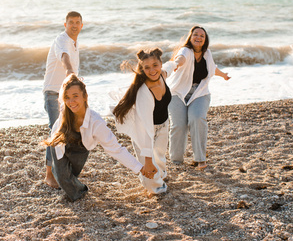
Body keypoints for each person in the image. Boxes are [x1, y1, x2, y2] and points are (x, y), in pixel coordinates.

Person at [43, 74, 151, 201]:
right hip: (60, 142)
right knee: (64, 180)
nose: (71, 102)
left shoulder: (96, 122)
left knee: (72, 175)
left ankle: (68, 178)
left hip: (81, 148)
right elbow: (55, 132)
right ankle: (80, 190)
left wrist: (139, 168)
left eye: (75, 96)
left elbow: (115, 148)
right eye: (67, 97)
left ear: (85, 97)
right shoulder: (64, 111)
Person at [164, 26, 230, 169]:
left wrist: (223, 75)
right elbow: (180, 59)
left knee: (197, 118)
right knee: (179, 125)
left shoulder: (207, 54)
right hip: (178, 92)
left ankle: (200, 159)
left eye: (202, 35)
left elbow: (212, 69)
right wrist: (175, 64)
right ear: (190, 36)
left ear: (205, 39)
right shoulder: (186, 50)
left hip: (199, 93)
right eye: (195, 34)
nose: (198, 37)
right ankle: (176, 160)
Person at [112, 48, 172, 196]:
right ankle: (156, 187)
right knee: (150, 171)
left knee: (160, 157)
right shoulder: (143, 92)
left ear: (160, 64)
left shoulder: (162, 75)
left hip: (163, 125)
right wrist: (147, 160)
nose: (152, 70)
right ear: (142, 68)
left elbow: (170, 67)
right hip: (144, 131)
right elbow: (145, 130)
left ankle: (160, 174)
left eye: (155, 65)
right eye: (147, 67)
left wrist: (179, 61)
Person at [42, 11, 83, 188]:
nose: (74, 25)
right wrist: (69, 71)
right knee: (56, 131)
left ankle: (64, 172)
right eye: (71, 22)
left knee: (69, 130)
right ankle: (49, 174)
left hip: (67, 94)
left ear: (82, 25)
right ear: (65, 25)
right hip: (53, 92)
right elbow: (64, 57)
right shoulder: (62, 40)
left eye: (77, 22)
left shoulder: (74, 42)